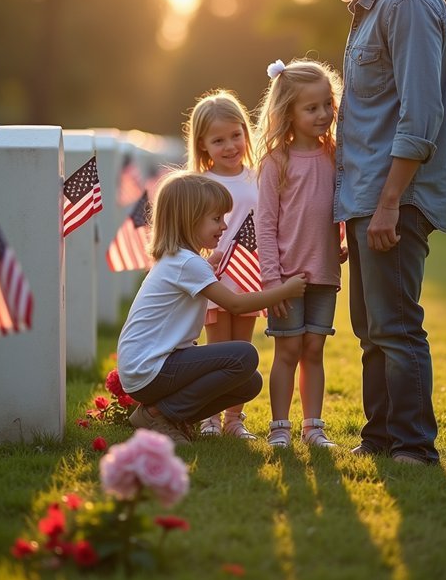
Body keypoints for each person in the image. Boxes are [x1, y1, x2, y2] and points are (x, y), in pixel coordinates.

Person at [285, 0, 446, 465]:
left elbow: (419, 116)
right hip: (366, 199)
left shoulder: (407, 3)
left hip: (395, 200)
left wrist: (387, 203)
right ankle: (381, 438)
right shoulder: (371, 8)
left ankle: (412, 446)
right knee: (370, 327)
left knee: (396, 326)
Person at [116, 170, 306, 445]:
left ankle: (171, 416)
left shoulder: (180, 260)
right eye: (217, 219)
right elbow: (235, 304)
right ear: (189, 220)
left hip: (149, 367)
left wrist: (208, 266)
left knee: (249, 382)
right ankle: (159, 414)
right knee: (243, 355)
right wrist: (283, 292)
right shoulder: (186, 263)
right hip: (150, 368)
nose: (224, 226)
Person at [255, 58, 348, 448]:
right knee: (288, 349)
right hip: (287, 277)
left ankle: (314, 427)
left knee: (314, 348)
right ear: (288, 112)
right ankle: (280, 427)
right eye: (311, 108)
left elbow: (341, 200)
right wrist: (273, 280)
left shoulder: (334, 155)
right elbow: (266, 223)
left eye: (327, 104)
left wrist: (341, 239)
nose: (323, 114)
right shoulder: (277, 161)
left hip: (324, 271)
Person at [185, 90, 261, 440]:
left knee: (243, 349)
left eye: (236, 135)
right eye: (218, 140)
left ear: (246, 132)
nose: (230, 146)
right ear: (203, 145)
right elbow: (189, 233)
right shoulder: (201, 184)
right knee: (218, 350)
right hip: (213, 278)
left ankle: (235, 418)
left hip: (248, 276)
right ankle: (210, 418)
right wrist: (204, 258)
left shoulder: (259, 178)